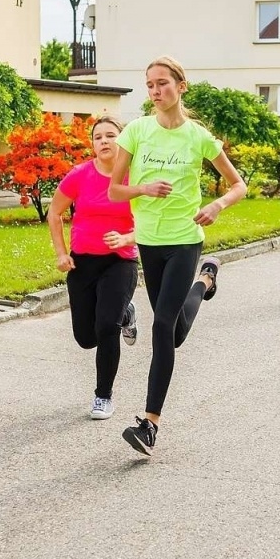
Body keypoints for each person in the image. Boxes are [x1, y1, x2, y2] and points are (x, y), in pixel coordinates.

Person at [108, 57, 247, 456]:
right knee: (175, 333)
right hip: (149, 242)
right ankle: (206, 281)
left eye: (162, 84)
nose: (155, 91)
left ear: (181, 86)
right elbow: (116, 190)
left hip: (185, 238)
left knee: (162, 326)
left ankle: (149, 424)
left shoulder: (198, 136)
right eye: (149, 85)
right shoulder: (136, 132)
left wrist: (218, 205)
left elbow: (239, 185)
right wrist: (143, 189)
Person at [49, 116, 139, 421]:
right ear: (92, 144)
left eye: (110, 135)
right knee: (86, 338)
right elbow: (54, 212)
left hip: (120, 261)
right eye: (97, 136)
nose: (103, 141)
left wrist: (127, 237)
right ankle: (126, 313)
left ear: (122, 140)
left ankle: (103, 396)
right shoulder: (79, 175)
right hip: (83, 262)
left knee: (106, 328)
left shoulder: (133, 176)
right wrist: (61, 253)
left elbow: (154, 222)